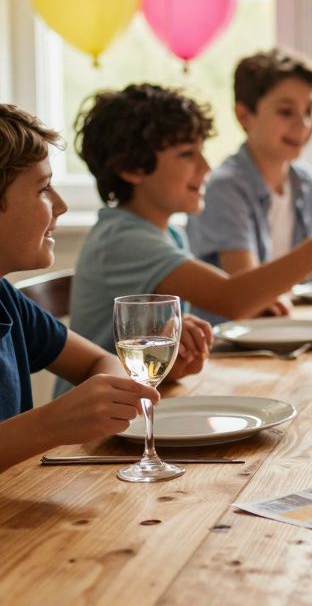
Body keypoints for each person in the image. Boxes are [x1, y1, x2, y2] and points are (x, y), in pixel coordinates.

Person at [68, 84, 312, 365]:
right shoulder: (124, 239)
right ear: (132, 169)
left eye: (202, 151)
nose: (206, 166)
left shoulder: (168, 234)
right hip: (97, 431)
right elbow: (231, 297)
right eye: (186, 154)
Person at [0, 104, 204, 473]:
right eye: (43, 189)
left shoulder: (4, 298)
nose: (60, 205)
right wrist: (47, 425)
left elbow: (98, 360)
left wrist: (118, 389)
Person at [187, 48, 312, 319]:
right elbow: (248, 292)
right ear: (245, 116)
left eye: (309, 111)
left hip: (281, 330)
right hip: (232, 345)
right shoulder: (225, 187)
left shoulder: (303, 182)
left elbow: (300, 270)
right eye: (286, 111)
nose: (302, 124)